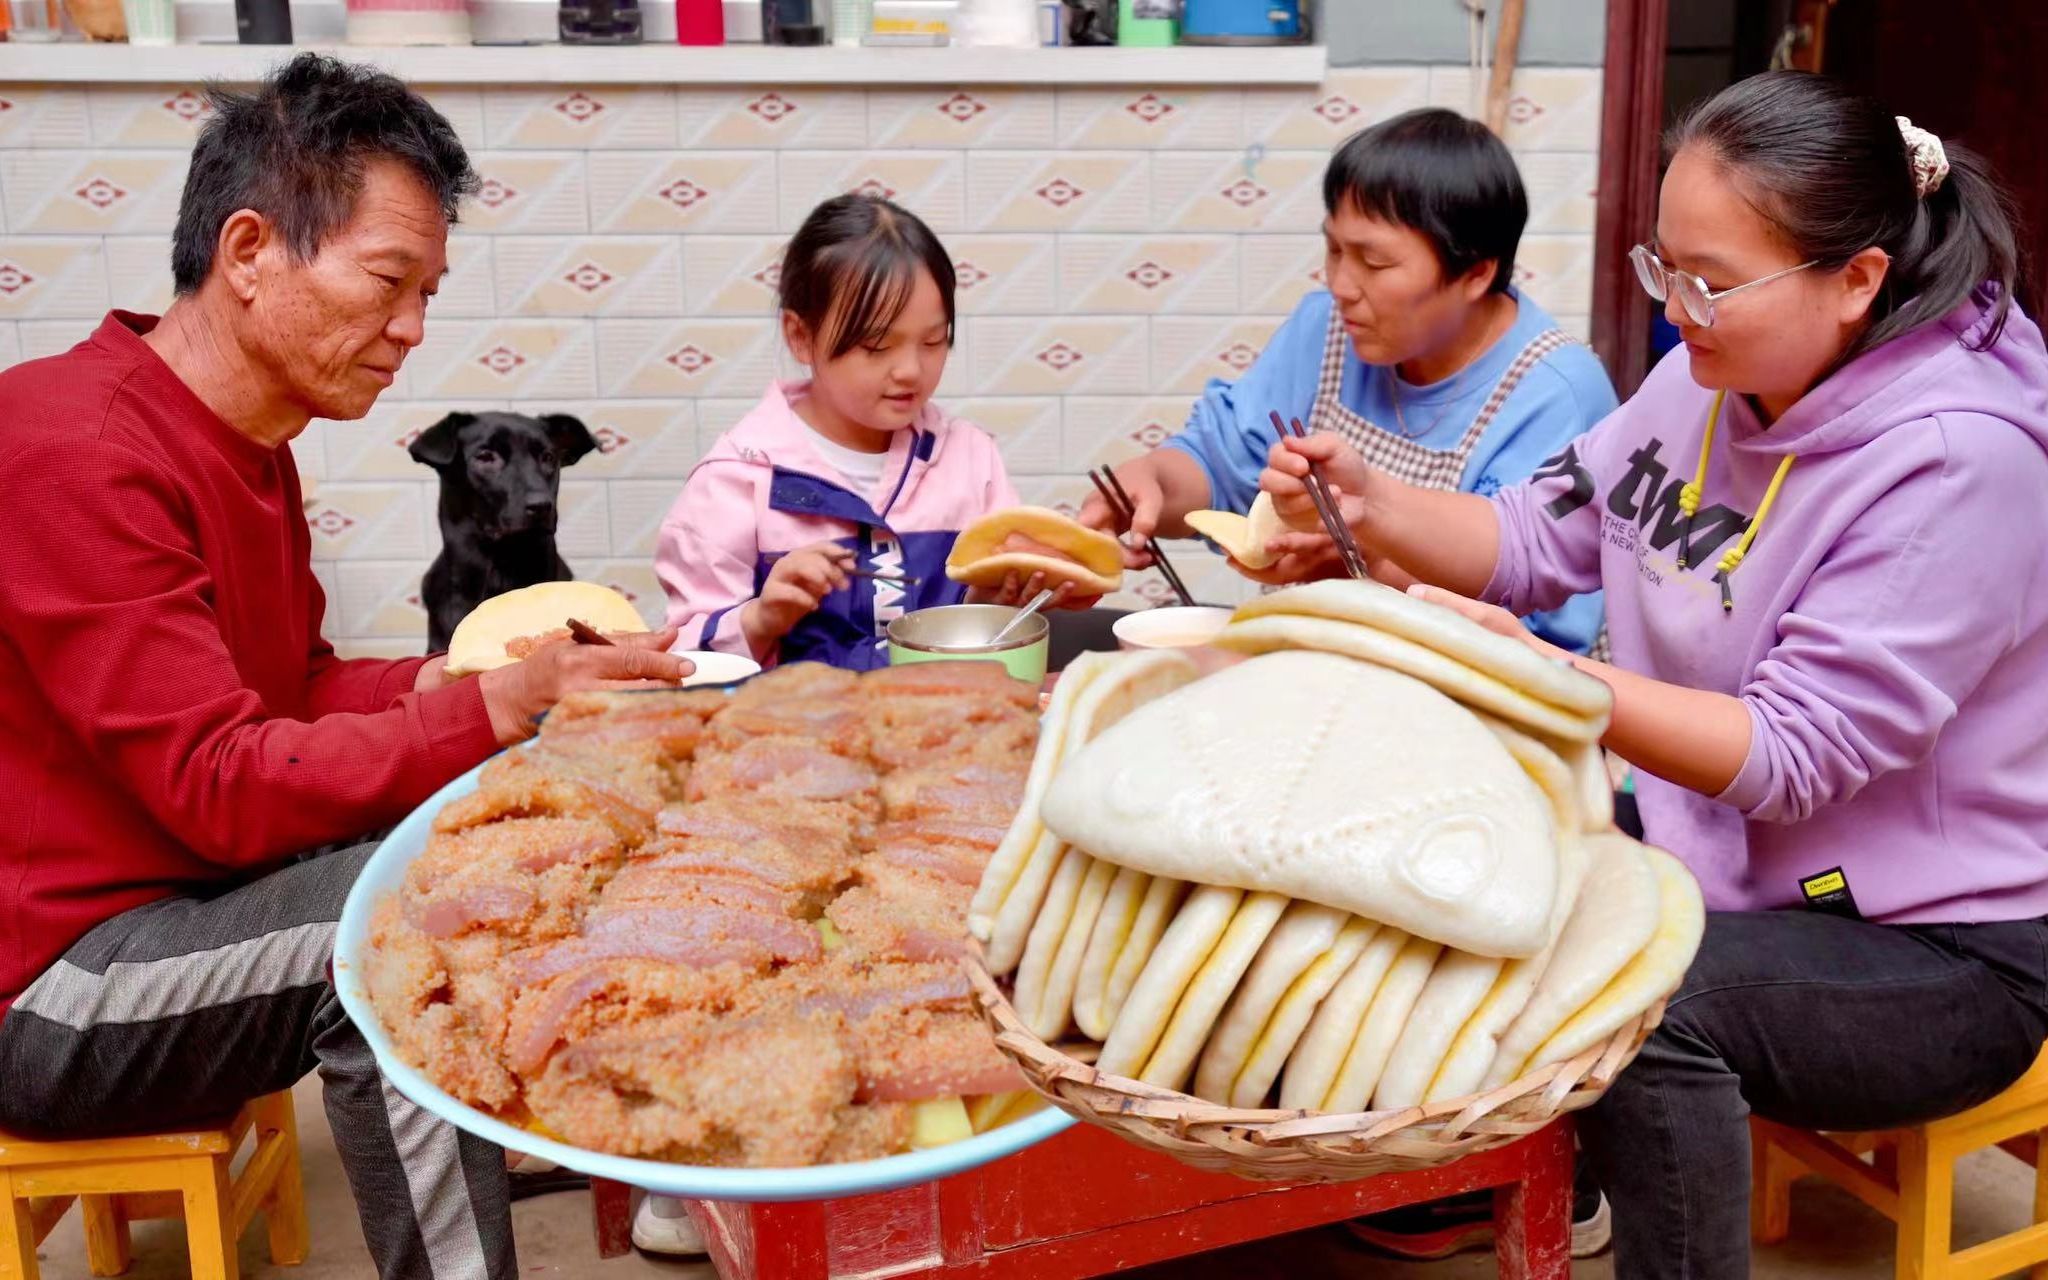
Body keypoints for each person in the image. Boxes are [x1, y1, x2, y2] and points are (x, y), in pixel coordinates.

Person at [1261, 71, 2047, 1278]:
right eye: (1662, 267)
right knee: (1427, 842)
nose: (1676, 307)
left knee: (1636, 997)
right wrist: (1375, 508)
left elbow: (1790, 755)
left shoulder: (1961, 464)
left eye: (1712, 281)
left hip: (1943, 945)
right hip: (1721, 855)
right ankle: (1492, 1177)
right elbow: (1537, 536)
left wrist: (1553, 682)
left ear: (1855, 279)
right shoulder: (1704, 369)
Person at [0, 55, 687, 1280]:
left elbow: (292, 684)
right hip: (53, 988)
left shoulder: (250, 446)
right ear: (251, 250)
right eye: (388, 281)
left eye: (426, 289)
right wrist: (492, 707)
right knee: (397, 931)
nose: (413, 329)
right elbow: (218, 778)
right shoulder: (75, 447)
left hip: (178, 915)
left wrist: (456, 683)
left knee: (484, 847)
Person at [1080, 107, 1616, 654]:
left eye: (1375, 263)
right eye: (1334, 249)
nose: (1341, 285)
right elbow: (1222, 466)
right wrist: (1150, 484)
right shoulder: (1325, 329)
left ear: (1476, 271)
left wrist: (1358, 561)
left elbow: (1538, 634)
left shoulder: (1558, 393)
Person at [656, 193, 1086, 673]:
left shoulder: (970, 459)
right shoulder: (737, 481)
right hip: (794, 739)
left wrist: (995, 599)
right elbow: (681, 662)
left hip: (948, 729)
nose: (910, 370)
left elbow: (994, 629)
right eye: (877, 346)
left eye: (933, 341)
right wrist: (762, 617)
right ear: (801, 336)